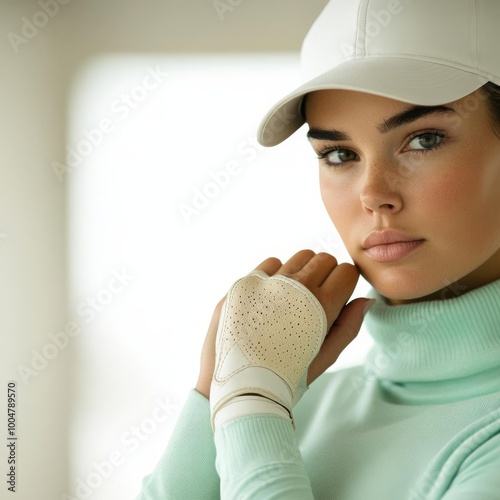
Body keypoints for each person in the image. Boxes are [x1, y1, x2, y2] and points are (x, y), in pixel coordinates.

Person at [137, 0, 500, 498]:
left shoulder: (262, 411)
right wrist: (219, 390)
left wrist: (247, 407)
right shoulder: (288, 402)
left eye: (423, 139)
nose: (373, 194)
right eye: (338, 154)